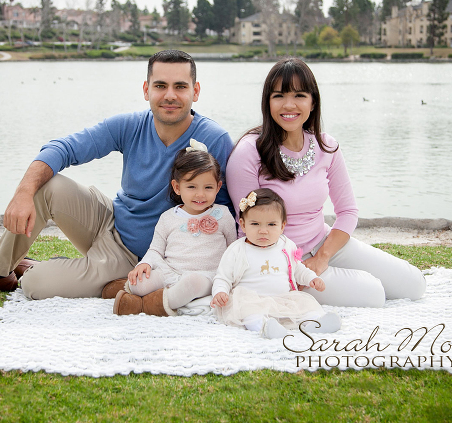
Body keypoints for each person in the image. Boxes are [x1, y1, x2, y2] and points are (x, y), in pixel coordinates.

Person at [0, 50, 233, 300]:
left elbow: (225, 213)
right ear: (146, 90)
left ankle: (43, 270)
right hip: (111, 219)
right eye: (161, 85)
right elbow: (64, 147)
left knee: (34, 285)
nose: (170, 95)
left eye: (180, 86)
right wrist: (22, 193)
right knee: (47, 185)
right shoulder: (130, 125)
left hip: (139, 255)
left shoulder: (215, 138)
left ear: (195, 91)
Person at [225, 58, 425, 308]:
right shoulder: (248, 153)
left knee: (414, 284)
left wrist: (323, 256)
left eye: (299, 95)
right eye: (279, 96)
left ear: (313, 101)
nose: (289, 105)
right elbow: (247, 230)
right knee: (374, 293)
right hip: (279, 260)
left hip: (324, 242)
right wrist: (289, 270)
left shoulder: (326, 146)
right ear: (267, 102)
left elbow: (348, 211)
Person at [113, 140, 237, 316]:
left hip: (206, 275)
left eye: (208, 187)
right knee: (137, 283)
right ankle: (134, 290)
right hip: (170, 271)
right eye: (191, 187)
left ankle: (147, 305)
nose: (200, 194)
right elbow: (155, 249)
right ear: (177, 187)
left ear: (218, 187)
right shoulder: (168, 217)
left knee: (192, 284)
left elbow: (233, 249)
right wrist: (145, 263)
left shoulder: (223, 215)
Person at [211, 189, 341, 339]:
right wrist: (220, 292)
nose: (263, 231)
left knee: (305, 306)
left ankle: (316, 323)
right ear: (243, 225)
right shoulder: (237, 250)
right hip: (252, 300)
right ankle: (265, 327)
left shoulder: (286, 245)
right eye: (255, 224)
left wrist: (311, 278)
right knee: (250, 314)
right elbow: (223, 277)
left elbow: (298, 268)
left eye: (271, 224)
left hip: (283, 298)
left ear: (282, 226)